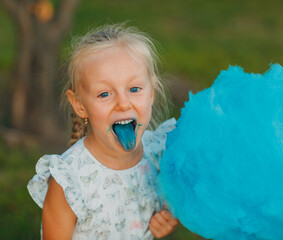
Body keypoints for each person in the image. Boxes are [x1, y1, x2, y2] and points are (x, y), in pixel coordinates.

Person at [27, 24, 178, 240]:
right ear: (79, 105)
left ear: (151, 94)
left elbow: (175, 205)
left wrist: (168, 219)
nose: (123, 103)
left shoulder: (159, 155)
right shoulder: (70, 183)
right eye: (105, 94)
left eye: (134, 89)